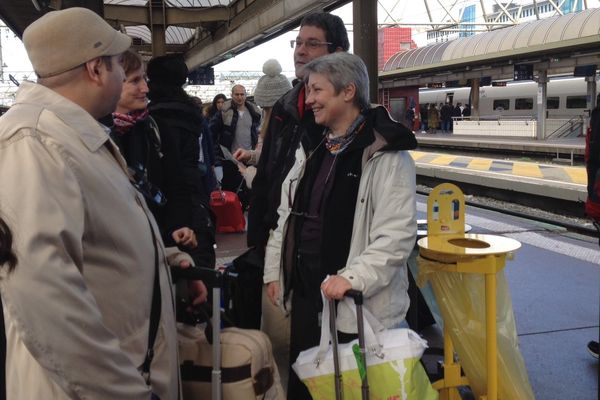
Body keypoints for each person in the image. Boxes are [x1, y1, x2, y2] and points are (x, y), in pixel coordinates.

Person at [0, 8, 196, 399]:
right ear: (95, 69)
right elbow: (44, 293)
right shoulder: (34, 142)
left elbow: (95, 240)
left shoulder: (68, 135)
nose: (127, 77)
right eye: (119, 66)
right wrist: (123, 392)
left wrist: (164, 261)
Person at [264, 52, 418, 399]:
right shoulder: (313, 145)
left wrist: (350, 279)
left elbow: (397, 235)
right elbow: (286, 216)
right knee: (310, 388)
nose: (311, 99)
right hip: (308, 298)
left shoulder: (386, 155)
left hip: (358, 307)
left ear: (347, 92)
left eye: (318, 90)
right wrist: (275, 271)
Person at [247, 12, 350, 252]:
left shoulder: (350, 116)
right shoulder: (285, 107)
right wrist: (257, 242)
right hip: (278, 242)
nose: (300, 51)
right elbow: (265, 180)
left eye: (312, 44)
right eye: (298, 42)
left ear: (338, 54)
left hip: (324, 251)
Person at [146, 54, 216, 269]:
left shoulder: (151, 120)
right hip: (196, 197)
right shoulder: (194, 116)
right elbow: (206, 158)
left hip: (164, 205)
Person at [234, 59, 292, 188]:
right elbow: (270, 154)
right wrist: (250, 155)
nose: (264, 113)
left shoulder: (285, 130)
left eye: (266, 108)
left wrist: (248, 173)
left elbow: (277, 175)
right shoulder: (280, 126)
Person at [210, 84, 261, 208]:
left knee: (249, 189)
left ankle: (244, 214)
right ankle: (232, 219)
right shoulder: (224, 112)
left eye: (242, 94)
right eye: (236, 94)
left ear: (246, 95)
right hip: (230, 158)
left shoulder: (254, 112)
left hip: (249, 157)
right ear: (232, 95)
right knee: (230, 191)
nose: (239, 97)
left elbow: (258, 132)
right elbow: (212, 133)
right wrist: (218, 153)